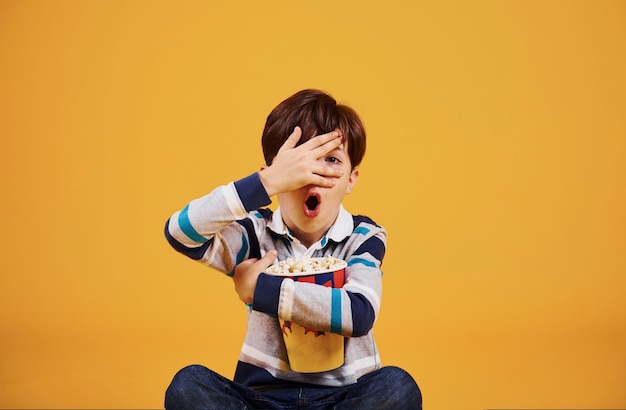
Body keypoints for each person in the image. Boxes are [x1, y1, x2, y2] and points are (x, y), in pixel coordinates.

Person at [163, 89, 422, 409]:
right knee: (189, 384)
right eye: (297, 162)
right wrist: (264, 184)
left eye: (331, 160)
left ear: (351, 179)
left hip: (343, 397)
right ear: (275, 171)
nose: (313, 174)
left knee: (397, 386)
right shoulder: (255, 235)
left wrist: (260, 289)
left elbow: (359, 312)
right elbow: (179, 233)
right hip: (261, 398)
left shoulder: (363, 234)